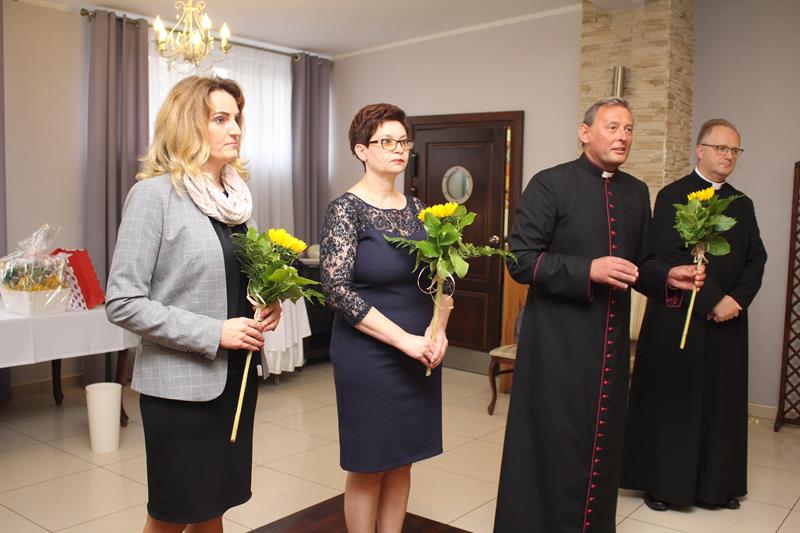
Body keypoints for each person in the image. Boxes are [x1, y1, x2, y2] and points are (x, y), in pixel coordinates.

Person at [493, 97, 705, 533]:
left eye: (629, 129)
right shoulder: (550, 184)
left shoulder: (635, 191)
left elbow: (642, 263)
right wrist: (587, 269)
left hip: (609, 348)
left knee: (601, 445)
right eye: (612, 127)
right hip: (557, 344)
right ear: (585, 132)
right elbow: (521, 260)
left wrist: (668, 276)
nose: (623, 136)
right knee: (555, 442)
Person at [106, 76, 282, 533]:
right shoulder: (154, 196)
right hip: (180, 391)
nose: (236, 129)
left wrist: (266, 304)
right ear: (187, 124)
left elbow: (234, 280)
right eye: (220, 119)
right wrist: (214, 332)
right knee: (171, 515)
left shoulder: (236, 201)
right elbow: (123, 302)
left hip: (235, 382)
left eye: (236, 118)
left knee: (213, 507)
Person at [621, 119, 767, 511]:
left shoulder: (741, 203)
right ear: (700, 150)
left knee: (722, 403)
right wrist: (712, 300)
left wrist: (736, 301)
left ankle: (717, 487)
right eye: (721, 148)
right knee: (675, 399)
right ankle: (664, 486)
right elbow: (667, 256)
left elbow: (757, 258)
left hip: (729, 321)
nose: (728, 156)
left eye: (734, 150)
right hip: (679, 317)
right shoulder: (673, 196)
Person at [320, 103, 451, 533]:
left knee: (402, 459)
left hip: (419, 351)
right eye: (387, 141)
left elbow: (445, 278)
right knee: (370, 463)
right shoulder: (345, 210)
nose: (398, 149)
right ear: (361, 150)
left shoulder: (419, 209)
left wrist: (439, 332)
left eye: (403, 141)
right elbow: (336, 290)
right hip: (369, 356)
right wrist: (403, 340)